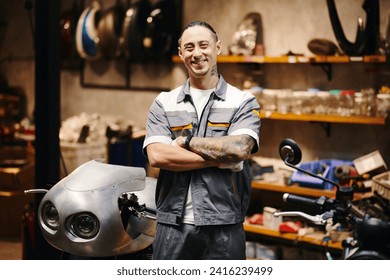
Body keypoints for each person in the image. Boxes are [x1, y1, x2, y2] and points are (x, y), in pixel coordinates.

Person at [142, 20, 261, 260]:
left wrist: (185, 142)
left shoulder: (243, 101)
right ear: (180, 53)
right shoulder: (164, 102)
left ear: (217, 48)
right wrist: (219, 159)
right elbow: (158, 156)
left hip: (224, 225)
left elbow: (238, 150)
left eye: (203, 45)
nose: (197, 53)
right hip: (172, 225)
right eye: (189, 47)